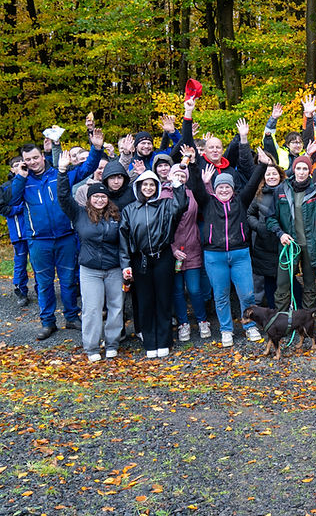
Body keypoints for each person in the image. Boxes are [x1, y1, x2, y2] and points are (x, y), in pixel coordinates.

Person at [11, 131, 104, 340]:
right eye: (28, 160)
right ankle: (48, 321)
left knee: (68, 279)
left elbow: (87, 168)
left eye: (35, 157)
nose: (33, 162)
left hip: (65, 237)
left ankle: (71, 316)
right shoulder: (23, 182)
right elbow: (11, 200)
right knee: (43, 283)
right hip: (38, 241)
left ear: (42, 156)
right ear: (23, 162)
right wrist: (20, 176)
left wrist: (96, 149)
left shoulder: (60, 175)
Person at [187, 125, 273, 348]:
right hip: (214, 256)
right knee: (222, 295)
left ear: (232, 188)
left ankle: (250, 326)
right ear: (214, 189)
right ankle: (226, 330)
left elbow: (254, 181)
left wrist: (263, 164)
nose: (224, 190)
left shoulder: (241, 201)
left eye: (227, 186)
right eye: (220, 187)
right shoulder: (207, 203)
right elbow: (196, 185)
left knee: (247, 294)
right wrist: (195, 163)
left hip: (240, 254)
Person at [56, 153, 123, 362]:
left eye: (103, 196)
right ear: (89, 198)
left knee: (116, 306)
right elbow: (63, 197)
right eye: (96, 196)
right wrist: (62, 171)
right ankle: (92, 346)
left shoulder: (116, 215)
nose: (100, 199)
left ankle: (112, 343)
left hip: (114, 268)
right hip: (90, 269)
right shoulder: (79, 214)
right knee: (92, 309)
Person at [119, 169, 188, 358]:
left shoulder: (166, 205)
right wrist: (126, 264)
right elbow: (123, 240)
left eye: (152, 184)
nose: (148, 188)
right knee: (145, 301)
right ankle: (150, 342)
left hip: (163, 257)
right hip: (140, 260)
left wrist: (177, 185)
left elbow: (182, 205)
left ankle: (164, 340)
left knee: (164, 299)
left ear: (157, 187)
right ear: (139, 187)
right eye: (145, 184)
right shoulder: (129, 210)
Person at [266, 149, 316, 313]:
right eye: (298, 168)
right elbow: (270, 218)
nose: (301, 172)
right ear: (293, 169)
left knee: (309, 283)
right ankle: (282, 319)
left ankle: (307, 319)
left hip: (311, 245)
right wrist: (280, 233)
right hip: (289, 245)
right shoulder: (281, 190)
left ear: (309, 171)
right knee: (283, 284)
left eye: (305, 169)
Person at [162, 152, 209, 343]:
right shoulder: (163, 196)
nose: (180, 178)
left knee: (195, 290)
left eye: (183, 176)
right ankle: (183, 323)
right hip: (173, 250)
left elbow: (209, 203)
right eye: (177, 175)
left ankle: (203, 320)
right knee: (177, 290)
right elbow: (162, 226)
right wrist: (172, 248)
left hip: (192, 247)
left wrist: (205, 184)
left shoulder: (191, 195)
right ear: (170, 176)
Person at [247, 162, 286, 309]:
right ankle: (272, 309)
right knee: (269, 278)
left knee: (286, 277)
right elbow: (249, 214)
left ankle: (293, 309)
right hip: (265, 242)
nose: (271, 176)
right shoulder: (260, 194)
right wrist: (258, 227)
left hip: (284, 240)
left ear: (280, 175)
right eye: (268, 174)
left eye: (274, 173)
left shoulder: (287, 191)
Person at [1, 157, 32, 307]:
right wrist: (20, 209)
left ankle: (42, 290)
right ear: (12, 169)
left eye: (22, 164)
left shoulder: (32, 181)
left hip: (35, 231)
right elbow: (3, 208)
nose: (19, 167)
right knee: (20, 261)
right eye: (15, 165)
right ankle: (21, 290)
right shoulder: (5, 187)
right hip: (18, 232)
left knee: (37, 261)